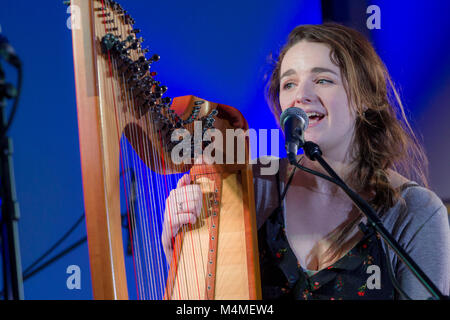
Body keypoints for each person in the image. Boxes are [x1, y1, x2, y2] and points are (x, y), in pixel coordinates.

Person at [161, 23, 450, 300]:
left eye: (323, 79)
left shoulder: (414, 210)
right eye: (289, 84)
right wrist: (177, 244)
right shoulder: (256, 183)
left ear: (365, 98)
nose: (301, 95)